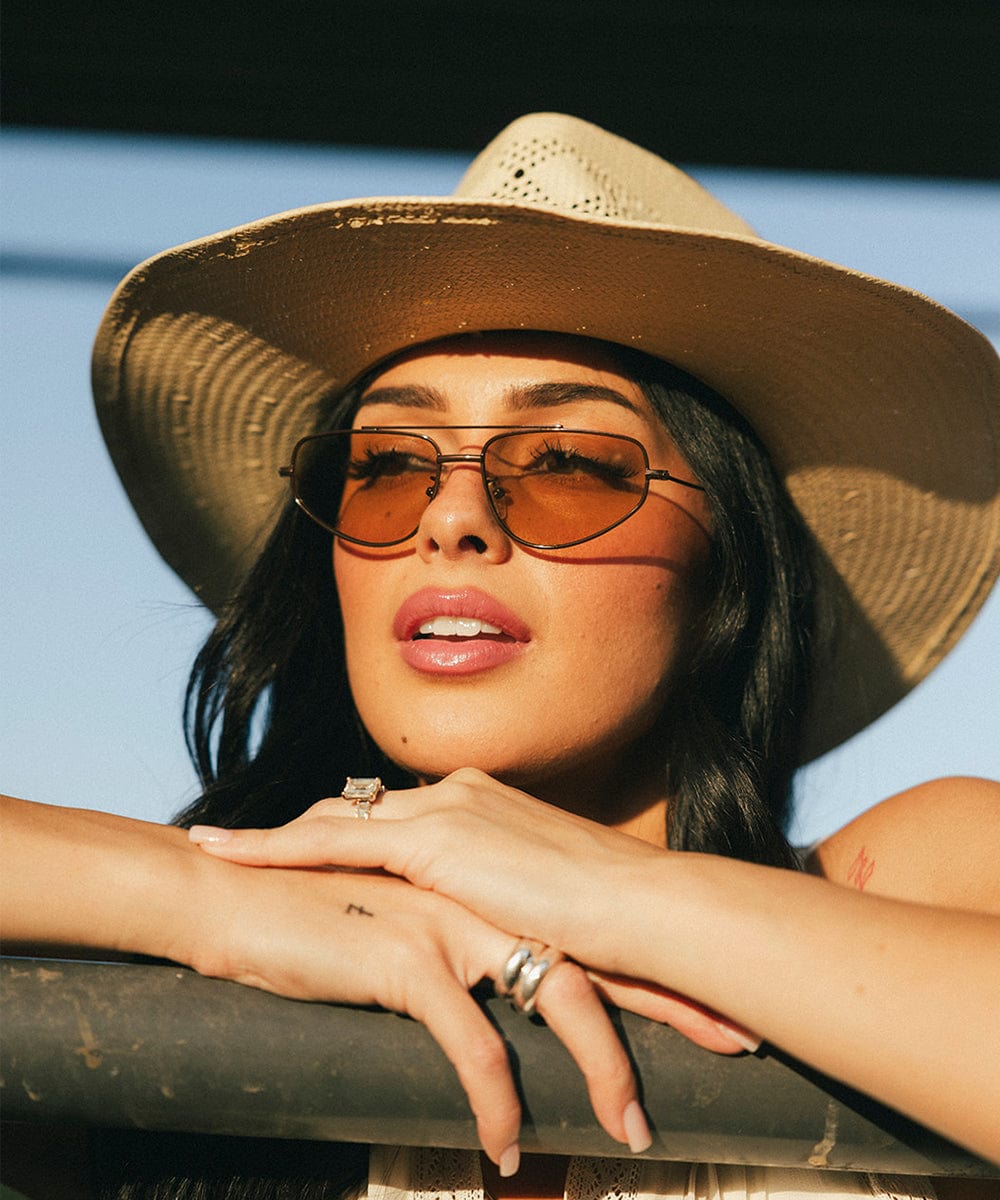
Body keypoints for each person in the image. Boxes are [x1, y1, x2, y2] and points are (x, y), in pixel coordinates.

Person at [3, 113, 999, 1199]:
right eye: (384, 464)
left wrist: (607, 892)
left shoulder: (913, 878)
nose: (452, 520)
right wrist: (190, 896)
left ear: (729, 561)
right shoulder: (190, 966)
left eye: (568, 461)